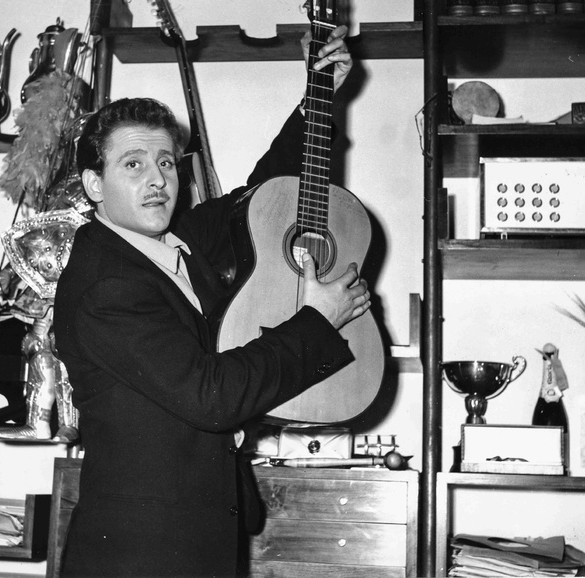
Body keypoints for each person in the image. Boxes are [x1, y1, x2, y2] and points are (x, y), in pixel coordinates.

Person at [54, 24, 369, 578]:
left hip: (198, 534)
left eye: (166, 163)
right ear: (94, 184)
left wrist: (317, 97)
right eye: (133, 164)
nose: (158, 180)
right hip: (141, 554)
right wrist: (318, 320)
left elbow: (264, 199)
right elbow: (211, 396)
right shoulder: (107, 283)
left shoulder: (173, 243)